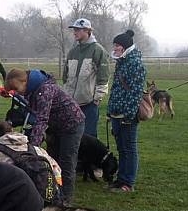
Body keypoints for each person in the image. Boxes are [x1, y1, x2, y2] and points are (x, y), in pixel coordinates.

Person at [3, 68, 85, 205]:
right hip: (55, 126)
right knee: (52, 161)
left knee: (66, 162)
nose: (17, 92)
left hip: (72, 125)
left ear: (25, 82)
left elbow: (41, 119)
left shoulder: (44, 90)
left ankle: (66, 200)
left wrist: (34, 147)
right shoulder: (32, 89)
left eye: (17, 89)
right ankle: (53, 192)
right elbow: (30, 108)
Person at [106, 29, 147, 192]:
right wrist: (111, 111)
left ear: (123, 47)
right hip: (117, 112)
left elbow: (135, 93)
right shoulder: (122, 61)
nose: (114, 48)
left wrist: (128, 115)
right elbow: (116, 88)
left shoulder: (135, 63)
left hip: (127, 114)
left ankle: (127, 183)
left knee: (129, 148)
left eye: (116, 45)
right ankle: (120, 179)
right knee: (121, 148)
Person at [63, 18, 110, 137]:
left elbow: (103, 76)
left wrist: (97, 98)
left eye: (78, 30)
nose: (74, 32)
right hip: (72, 104)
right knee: (71, 137)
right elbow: (66, 77)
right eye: (74, 30)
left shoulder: (98, 50)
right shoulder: (72, 52)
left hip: (89, 104)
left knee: (88, 138)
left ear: (87, 31)